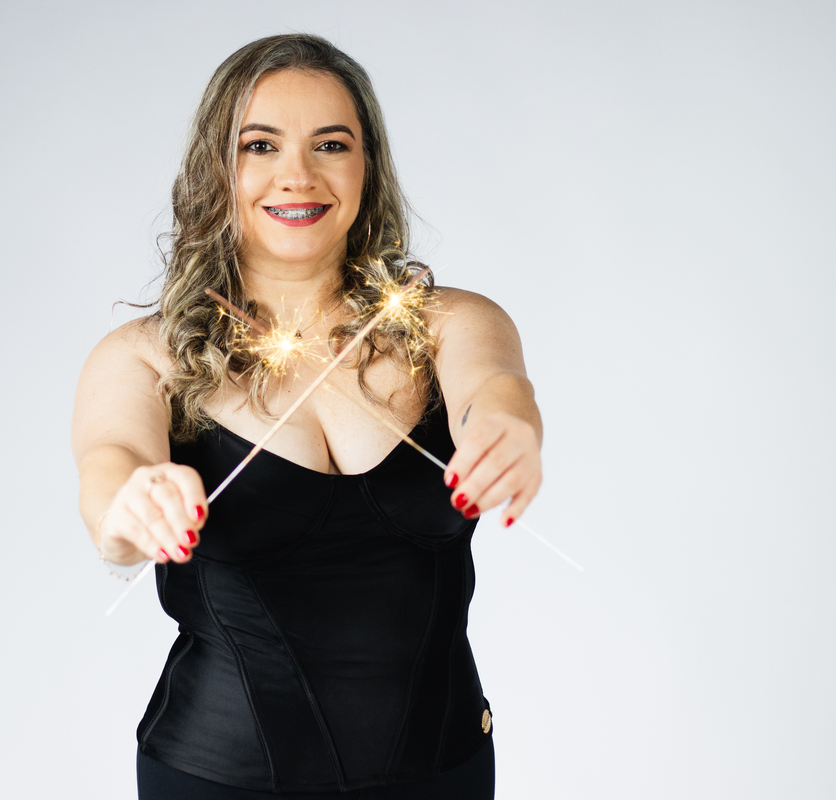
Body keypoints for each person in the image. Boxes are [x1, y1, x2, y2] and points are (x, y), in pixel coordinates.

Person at [71, 34, 542, 800]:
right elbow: (109, 472)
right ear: (216, 168)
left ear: (367, 166)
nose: (298, 174)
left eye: (331, 144)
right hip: (217, 778)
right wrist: (130, 508)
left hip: (444, 774)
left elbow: (495, 389)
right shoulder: (147, 357)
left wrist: (508, 429)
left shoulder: (449, 324)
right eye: (260, 145)